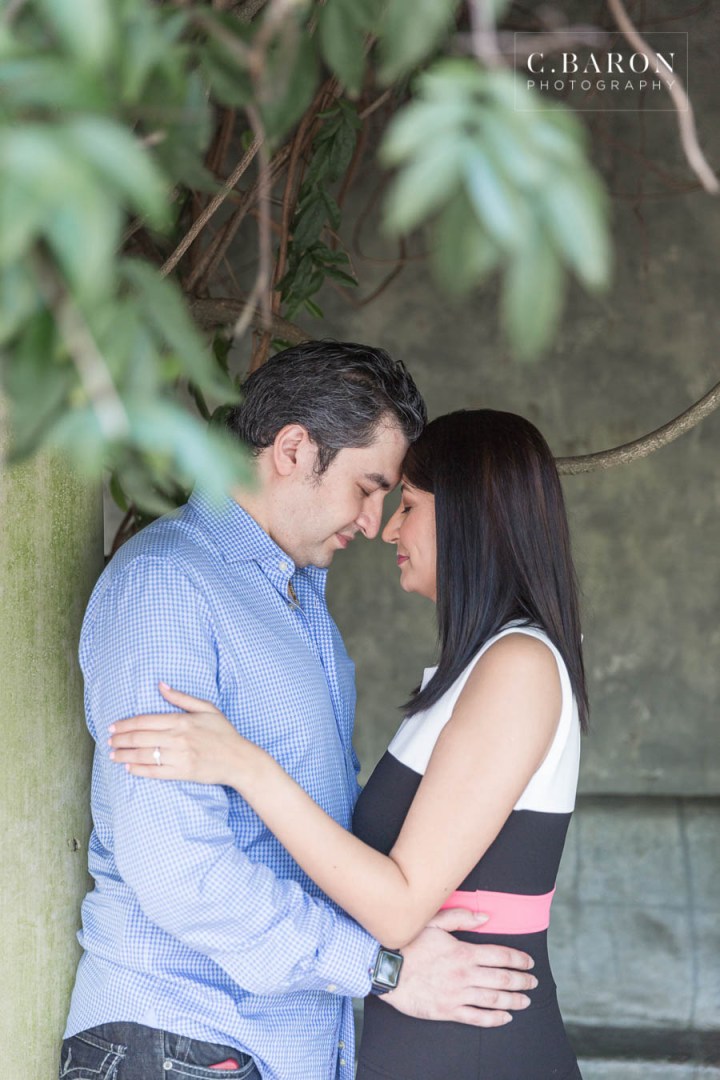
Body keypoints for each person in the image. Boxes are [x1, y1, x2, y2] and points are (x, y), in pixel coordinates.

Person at [61, 346, 537, 1080]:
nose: (376, 523)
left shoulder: (301, 608)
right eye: (368, 487)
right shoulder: (170, 588)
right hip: (181, 1040)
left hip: (264, 1049)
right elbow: (178, 870)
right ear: (293, 450)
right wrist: (380, 967)